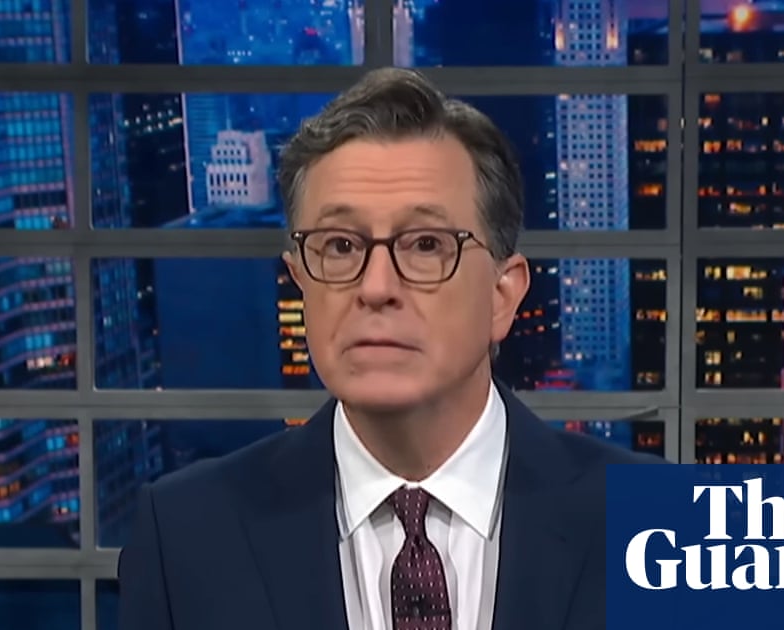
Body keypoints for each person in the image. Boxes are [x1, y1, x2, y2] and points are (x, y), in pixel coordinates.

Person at [117, 67, 667, 630]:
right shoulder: (182, 537)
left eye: (426, 244)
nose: (376, 287)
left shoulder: (658, 525)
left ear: (502, 296)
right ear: (300, 283)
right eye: (339, 246)